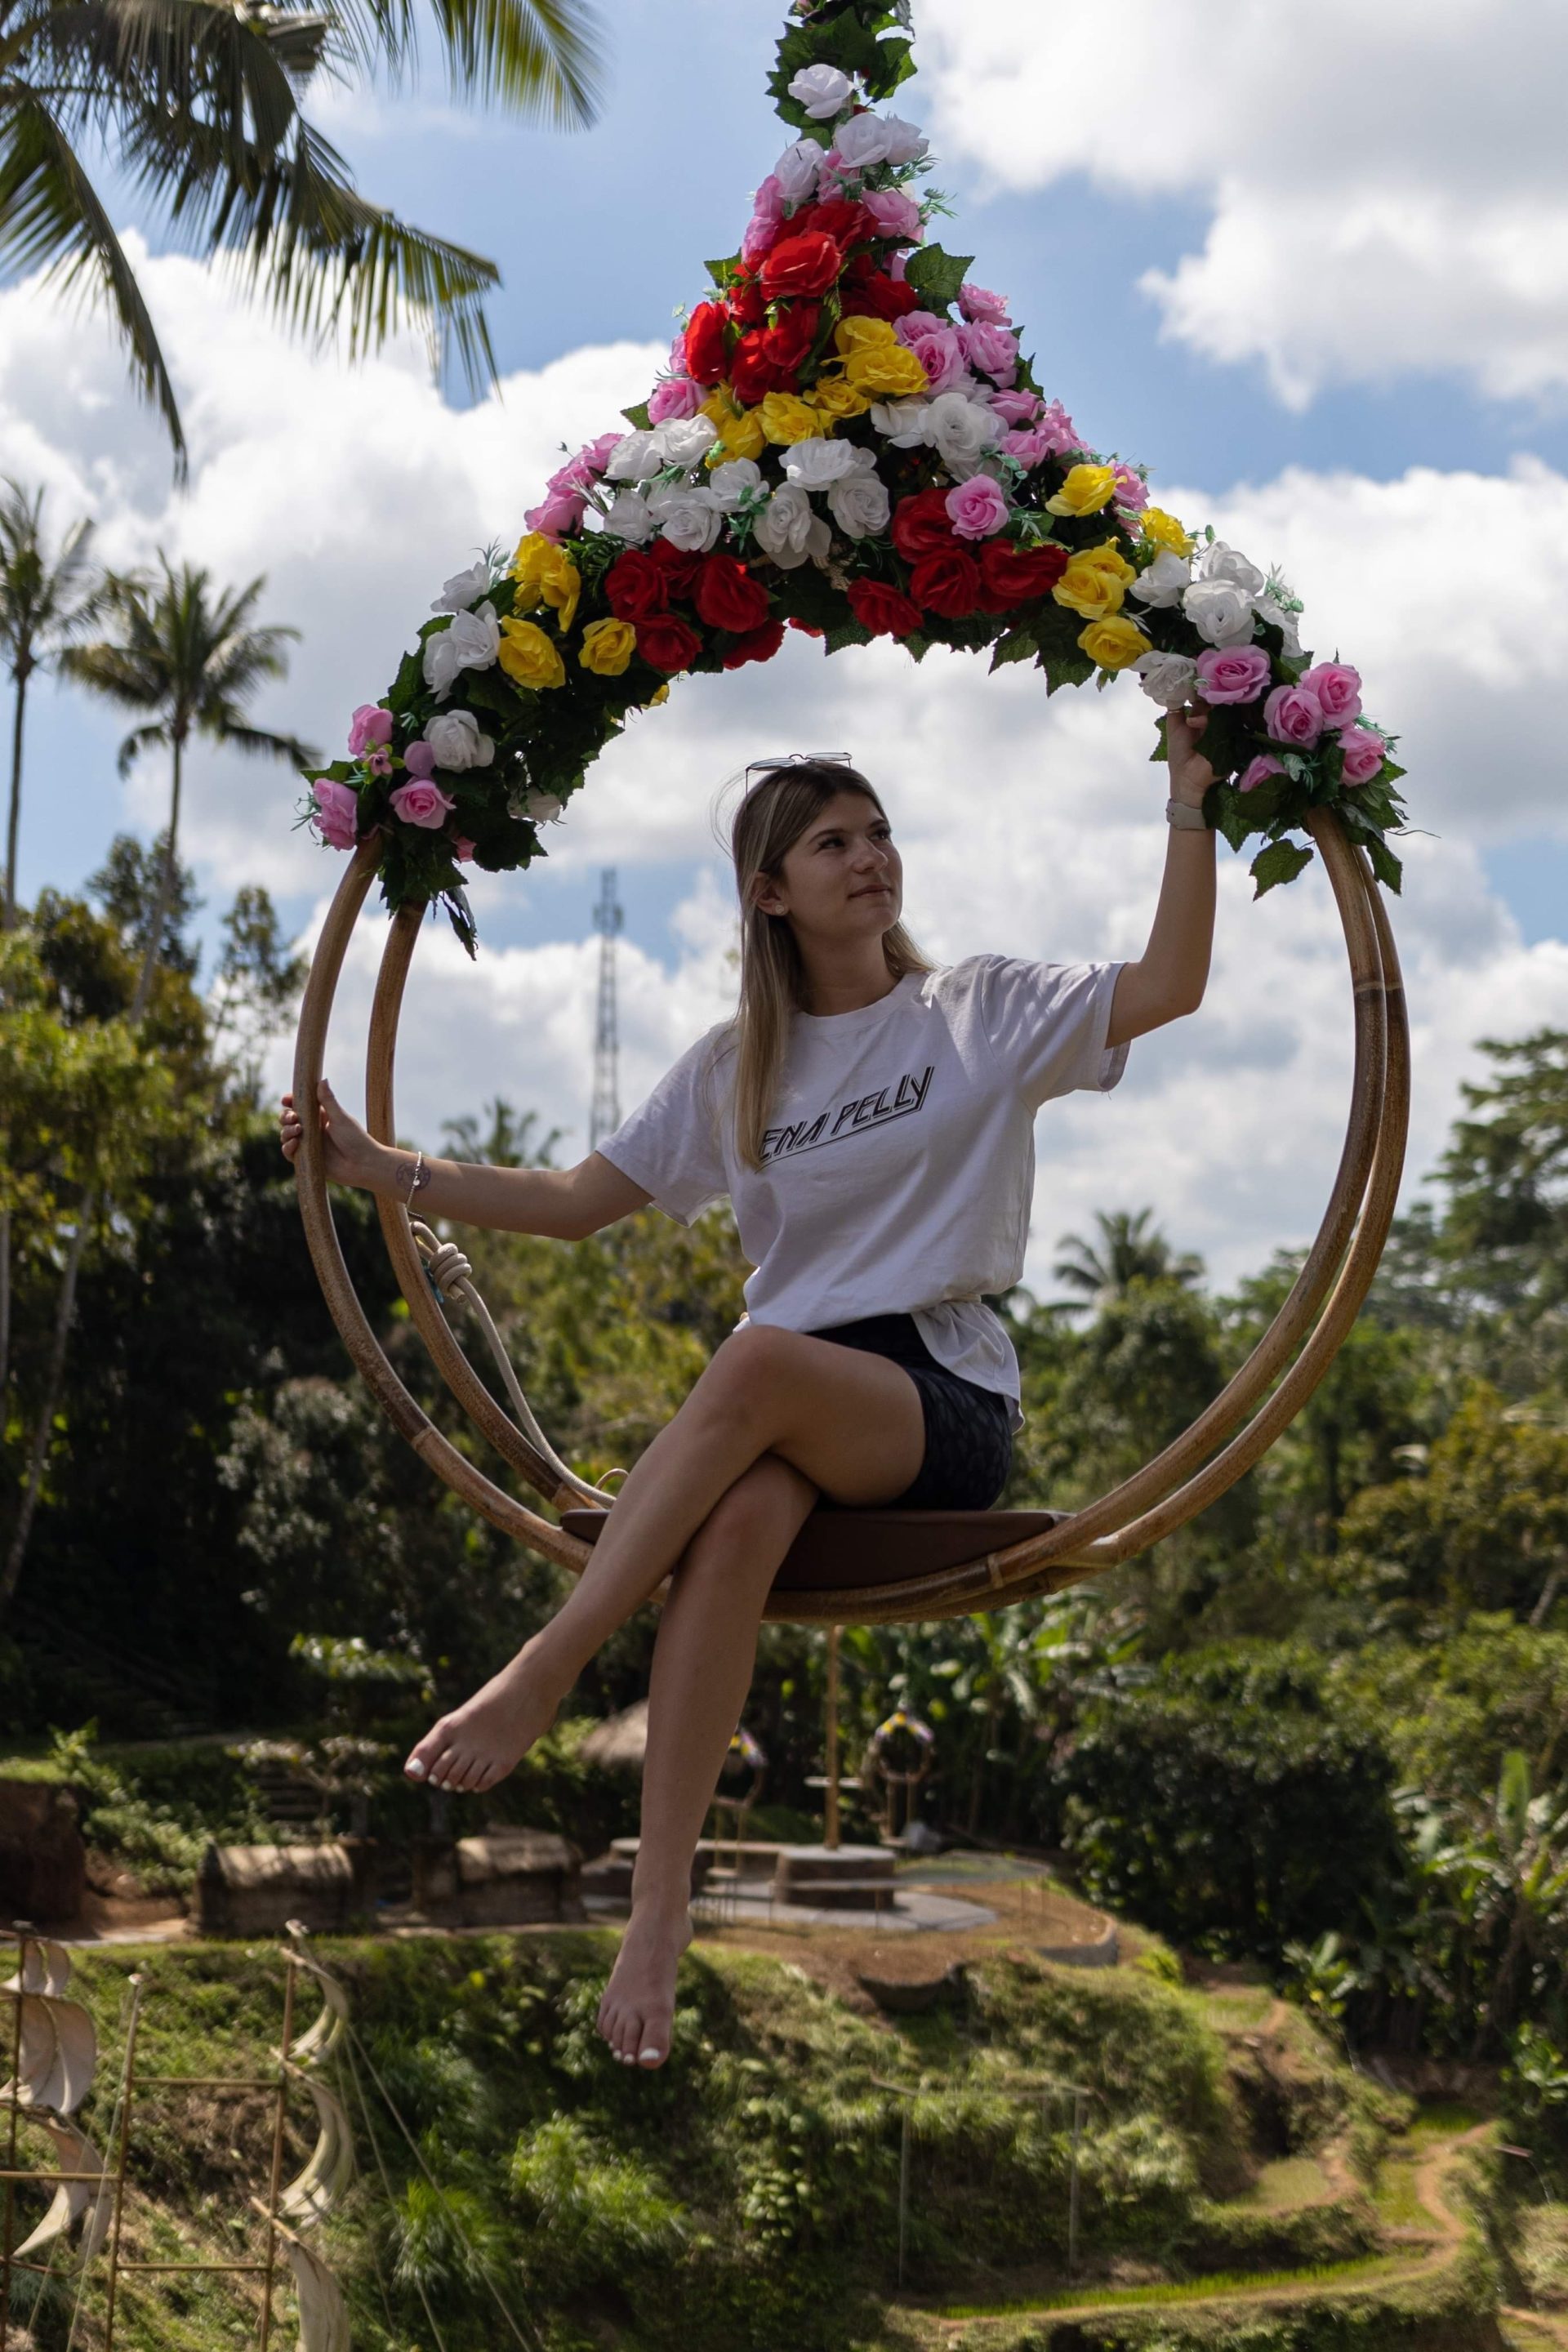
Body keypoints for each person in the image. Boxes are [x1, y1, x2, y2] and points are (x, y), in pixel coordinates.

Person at [278, 704, 1216, 2069]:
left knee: (762, 1359)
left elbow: (1172, 982)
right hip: (781, 1410)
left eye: (881, 831)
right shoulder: (737, 1065)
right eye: (833, 841)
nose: (870, 857)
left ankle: (548, 1668)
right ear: (770, 893)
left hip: (933, 1396)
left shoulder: (982, 1011)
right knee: (733, 1527)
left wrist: (1188, 804)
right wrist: (387, 1171)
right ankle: (657, 1919)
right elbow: (575, 1200)